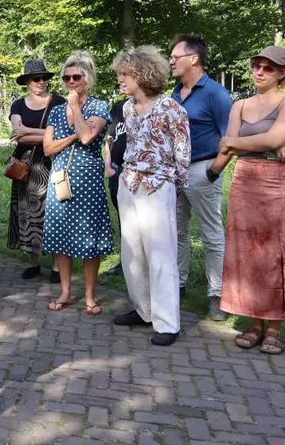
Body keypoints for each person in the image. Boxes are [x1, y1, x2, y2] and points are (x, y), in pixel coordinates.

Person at [111, 47, 190, 347]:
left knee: (160, 253)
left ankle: (168, 322)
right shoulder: (128, 109)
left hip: (159, 187)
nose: (120, 79)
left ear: (142, 75)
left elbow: (183, 153)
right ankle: (144, 312)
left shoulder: (173, 109)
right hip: (129, 184)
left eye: (124, 74)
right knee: (132, 253)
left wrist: (176, 187)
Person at [217, 46, 285, 354]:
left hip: (276, 182)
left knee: (274, 255)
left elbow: (269, 140)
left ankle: (274, 327)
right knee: (246, 254)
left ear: (282, 73)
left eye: (268, 68)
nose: (259, 71)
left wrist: (235, 141)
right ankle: (254, 323)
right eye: (256, 65)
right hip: (245, 181)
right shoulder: (240, 105)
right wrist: (235, 148)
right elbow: (232, 151)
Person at [43, 50, 113, 317]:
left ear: (87, 79)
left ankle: (89, 296)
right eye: (66, 77)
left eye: (76, 77)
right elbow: (48, 149)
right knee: (61, 237)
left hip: (88, 181)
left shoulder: (98, 106)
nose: (70, 81)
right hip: (60, 179)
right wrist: (72, 135)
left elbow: (86, 137)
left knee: (88, 239)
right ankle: (65, 292)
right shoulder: (56, 111)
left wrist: (75, 110)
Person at [169, 34, 232, 321]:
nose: (171, 61)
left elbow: (231, 137)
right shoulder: (174, 93)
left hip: (203, 169)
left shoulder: (215, 93)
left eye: (175, 57)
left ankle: (215, 295)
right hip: (175, 174)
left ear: (193, 59)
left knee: (211, 236)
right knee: (177, 232)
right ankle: (178, 286)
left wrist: (213, 171)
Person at [7, 59, 65, 282]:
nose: (41, 82)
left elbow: (62, 135)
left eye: (44, 78)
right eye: (36, 78)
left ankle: (57, 267)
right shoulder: (18, 105)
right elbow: (16, 134)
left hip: (52, 164)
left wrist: (30, 132)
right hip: (26, 166)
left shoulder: (59, 102)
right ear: (27, 82)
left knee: (53, 214)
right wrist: (48, 134)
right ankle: (33, 263)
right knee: (28, 215)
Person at [102, 97, 128, 276]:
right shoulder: (119, 106)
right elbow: (110, 137)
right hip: (116, 171)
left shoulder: (151, 105)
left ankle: (142, 265)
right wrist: (108, 166)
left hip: (135, 172)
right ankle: (125, 262)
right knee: (123, 219)